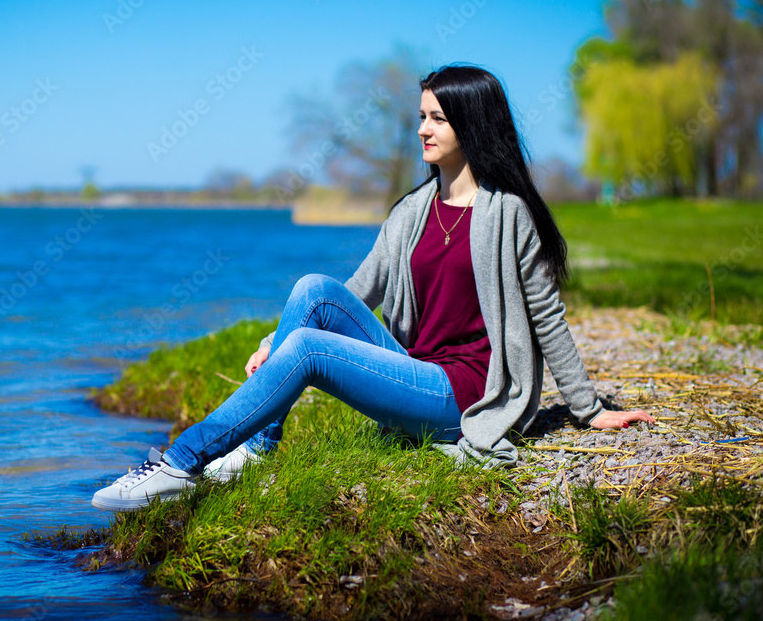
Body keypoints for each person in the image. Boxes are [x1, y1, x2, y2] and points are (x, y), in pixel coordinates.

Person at [91, 64, 654, 512]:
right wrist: (274, 341)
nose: (422, 130)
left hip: (462, 396)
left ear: (472, 125)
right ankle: (257, 450)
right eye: (421, 116)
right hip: (412, 369)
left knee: (310, 353)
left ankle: (179, 464)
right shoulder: (412, 210)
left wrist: (588, 408)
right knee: (314, 288)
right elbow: (354, 292)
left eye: (437, 118)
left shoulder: (509, 216)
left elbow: (546, 315)